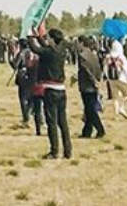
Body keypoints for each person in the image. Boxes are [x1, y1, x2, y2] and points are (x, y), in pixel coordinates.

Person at [35, 29, 72, 160]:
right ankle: (68, 151)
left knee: (52, 122)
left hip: (51, 90)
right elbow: (45, 47)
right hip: (61, 90)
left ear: (51, 39)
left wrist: (28, 36)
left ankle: (54, 151)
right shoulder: (61, 51)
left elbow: (36, 49)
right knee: (63, 123)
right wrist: (38, 36)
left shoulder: (49, 52)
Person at [77, 36, 105, 139]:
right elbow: (98, 69)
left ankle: (100, 129)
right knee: (89, 109)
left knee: (90, 110)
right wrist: (97, 80)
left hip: (87, 86)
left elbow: (86, 71)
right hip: (93, 86)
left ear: (82, 43)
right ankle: (86, 132)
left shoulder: (82, 56)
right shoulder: (94, 56)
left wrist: (93, 82)